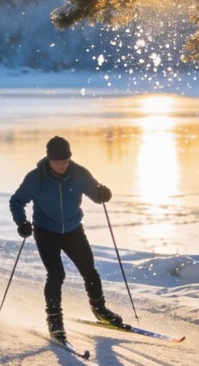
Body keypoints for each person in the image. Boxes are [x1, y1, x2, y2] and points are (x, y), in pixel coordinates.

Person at [9, 135, 123, 343]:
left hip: (72, 230)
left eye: (65, 161)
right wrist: (22, 222)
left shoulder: (79, 173)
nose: (61, 165)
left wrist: (103, 193)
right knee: (56, 274)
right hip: (46, 231)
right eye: (57, 162)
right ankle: (54, 320)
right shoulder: (36, 178)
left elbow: (96, 193)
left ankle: (100, 310)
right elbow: (17, 200)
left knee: (89, 270)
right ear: (49, 159)